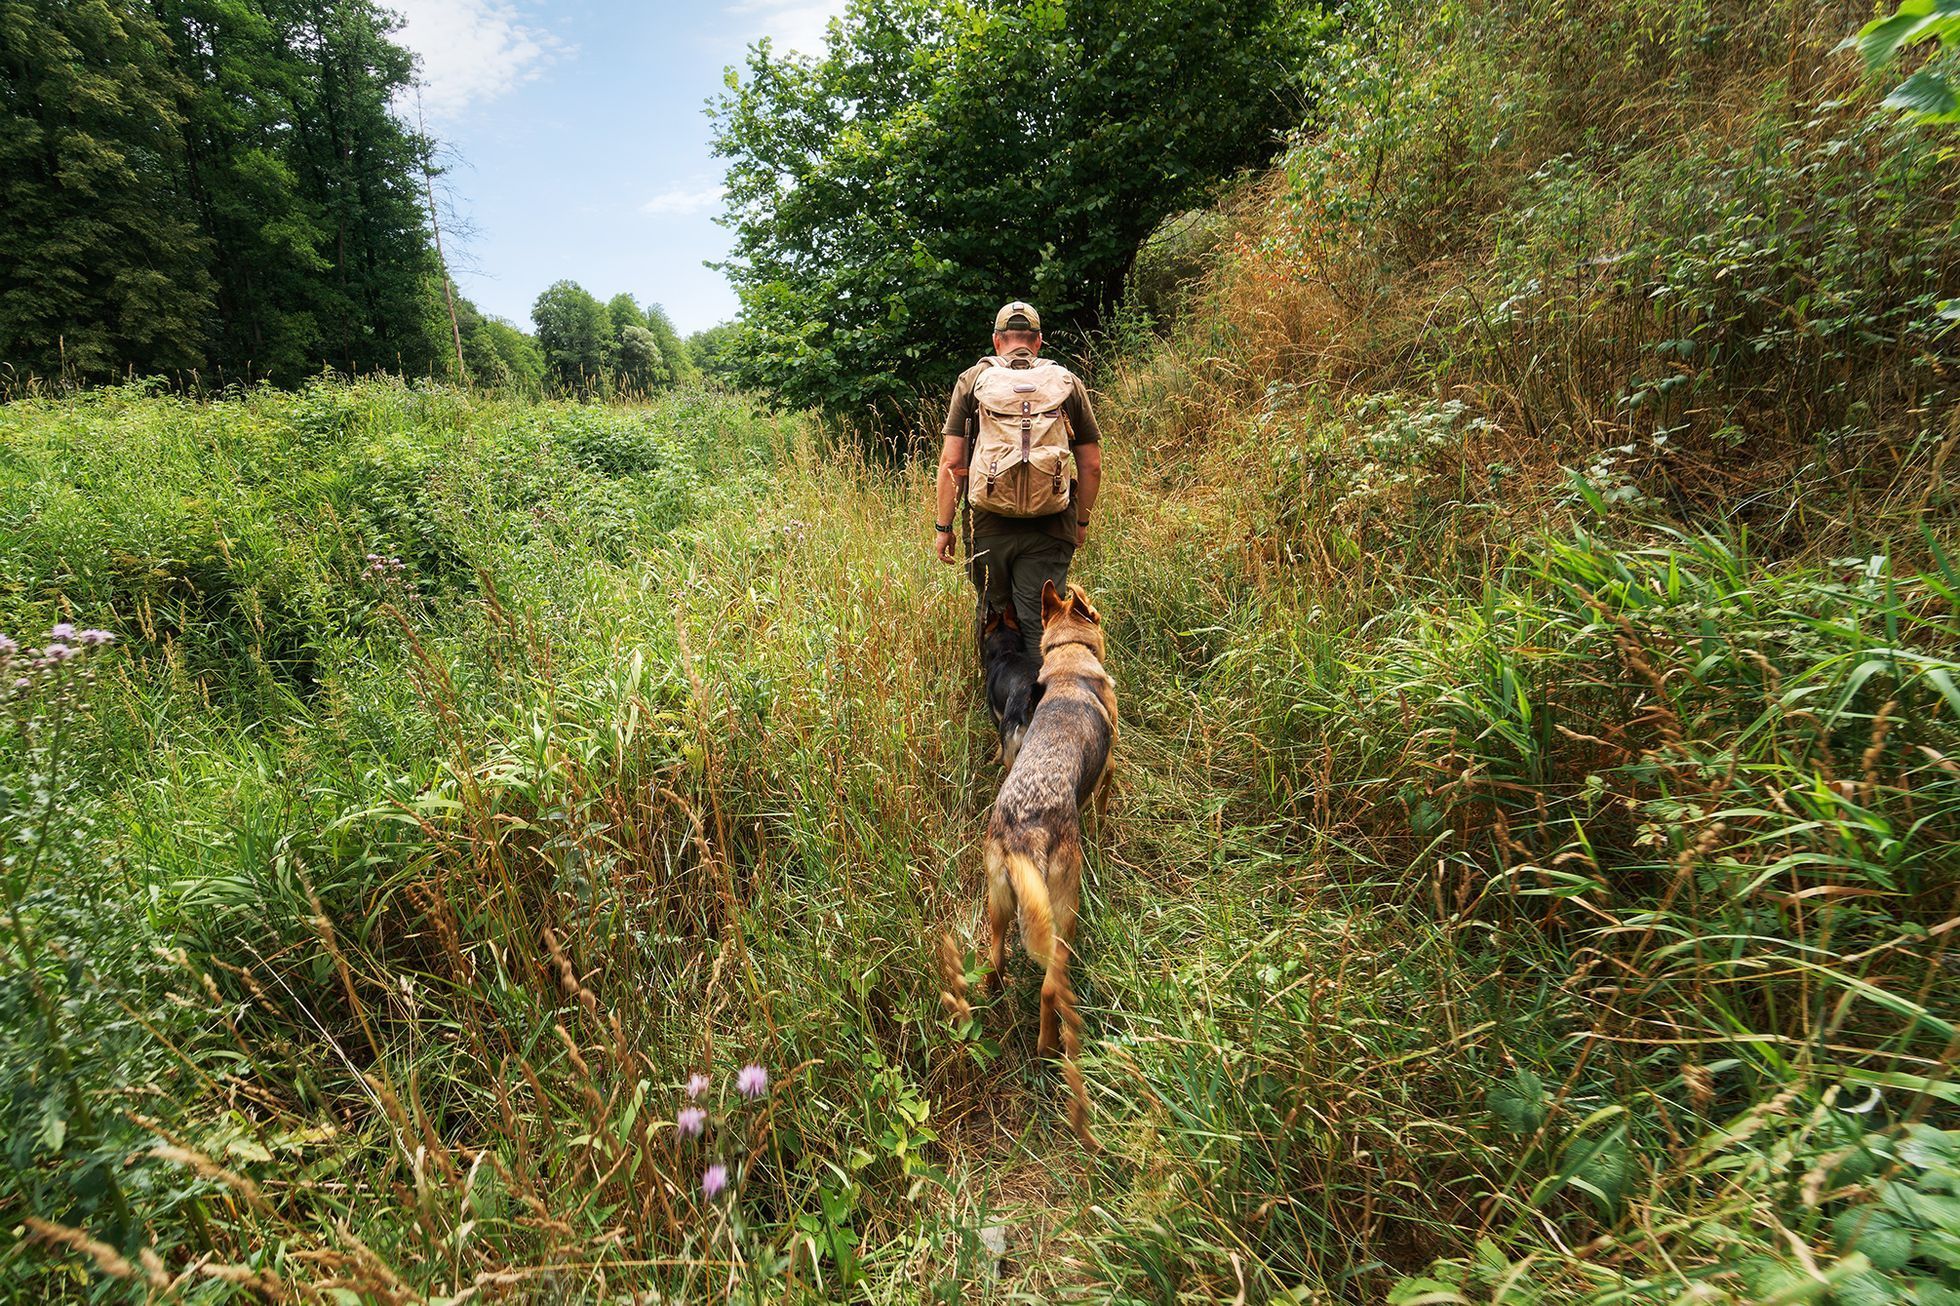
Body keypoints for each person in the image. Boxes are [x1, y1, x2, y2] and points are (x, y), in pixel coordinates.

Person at [931, 300, 1103, 659]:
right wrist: (1081, 521)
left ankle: (1001, 706)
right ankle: (1050, 705)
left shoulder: (972, 381)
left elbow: (951, 460)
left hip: (988, 525)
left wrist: (943, 526)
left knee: (995, 614)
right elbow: (1091, 466)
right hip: (1052, 525)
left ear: (997, 341)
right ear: (1038, 342)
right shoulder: (1067, 383)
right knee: (1041, 619)